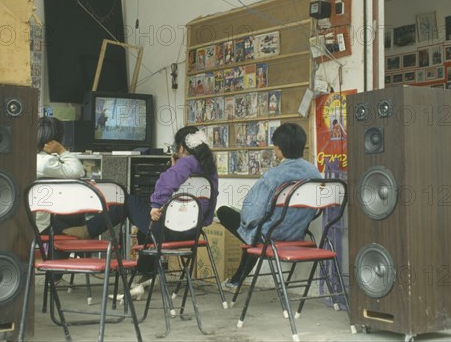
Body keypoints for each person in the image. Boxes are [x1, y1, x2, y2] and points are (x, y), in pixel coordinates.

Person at [63, 126, 219, 280]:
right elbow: (210, 198)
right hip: (193, 232)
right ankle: (146, 274)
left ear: (181, 148)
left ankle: (88, 230)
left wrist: (156, 205)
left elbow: (165, 184)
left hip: (170, 233)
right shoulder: (210, 168)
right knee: (146, 227)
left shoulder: (185, 163)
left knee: (128, 201)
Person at [217, 123, 322, 290]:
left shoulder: (273, 176)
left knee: (225, 213)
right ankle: (236, 280)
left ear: (278, 149)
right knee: (255, 233)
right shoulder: (315, 174)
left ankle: (235, 281)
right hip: (297, 234)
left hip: (270, 237)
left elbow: (250, 215)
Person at [36, 116, 86, 235]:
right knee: (79, 216)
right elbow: (78, 171)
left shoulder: (35, 158)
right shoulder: (46, 162)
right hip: (43, 225)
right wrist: (61, 150)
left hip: (33, 219)